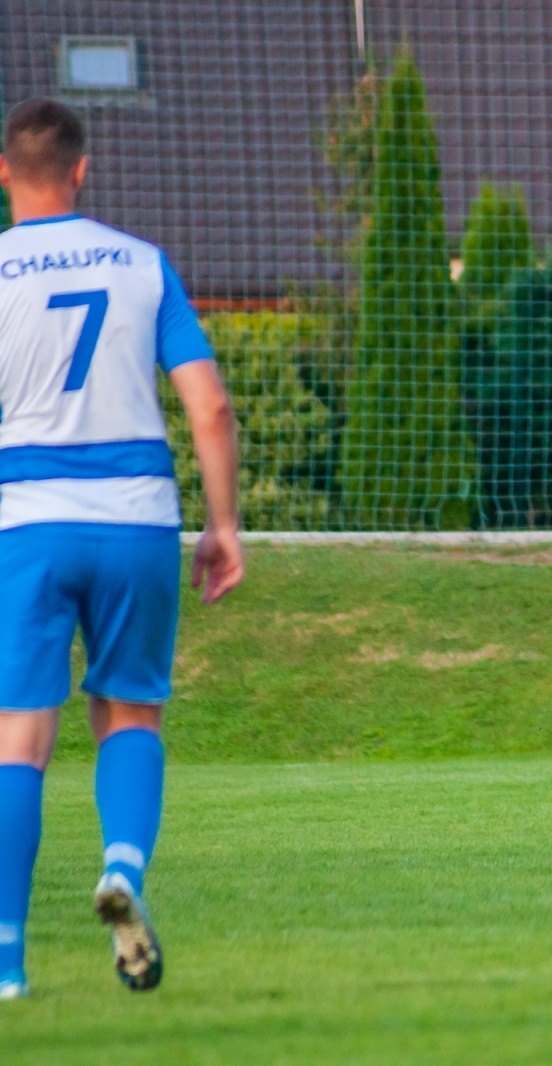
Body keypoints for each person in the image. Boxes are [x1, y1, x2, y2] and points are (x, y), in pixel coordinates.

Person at [0, 98, 244, 998]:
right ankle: (123, 872)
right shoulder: (141, 265)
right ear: (81, 169)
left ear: (3, 174)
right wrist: (221, 526)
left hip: (27, 517)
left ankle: (8, 966)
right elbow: (209, 406)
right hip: (137, 515)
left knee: (18, 740)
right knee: (129, 716)